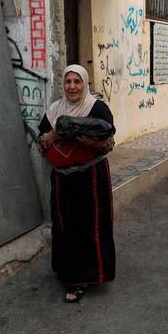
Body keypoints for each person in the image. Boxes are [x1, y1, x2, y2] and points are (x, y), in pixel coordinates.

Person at [38, 65, 116, 303]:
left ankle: (84, 278)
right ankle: (68, 272)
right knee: (64, 226)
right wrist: (54, 135)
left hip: (90, 177)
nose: (72, 86)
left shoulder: (97, 108)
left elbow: (109, 143)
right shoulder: (55, 110)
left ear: (85, 83)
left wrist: (85, 138)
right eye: (68, 82)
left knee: (88, 225)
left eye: (77, 82)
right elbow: (42, 145)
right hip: (62, 178)